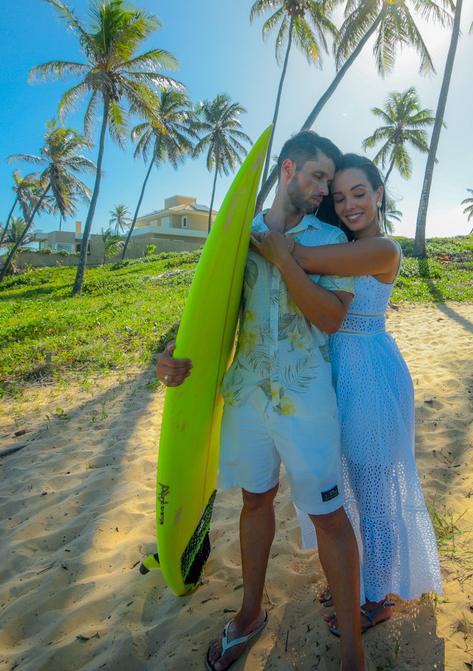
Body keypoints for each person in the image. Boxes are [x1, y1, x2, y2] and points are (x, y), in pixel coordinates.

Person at [156, 131, 367, 671]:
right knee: (254, 500)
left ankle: (352, 652)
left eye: (331, 179)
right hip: (246, 394)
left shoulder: (330, 239)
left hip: (306, 397)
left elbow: (331, 316)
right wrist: (172, 354)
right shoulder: (236, 238)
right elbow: (209, 313)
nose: (326, 188)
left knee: (328, 517)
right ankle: (250, 613)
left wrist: (284, 258)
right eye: (319, 176)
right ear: (288, 169)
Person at [250, 152, 443, 636]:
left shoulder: (384, 249)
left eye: (360, 193)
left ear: (379, 194)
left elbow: (305, 259)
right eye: (339, 197)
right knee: (343, 485)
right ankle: (355, 582)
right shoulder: (336, 237)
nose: (350, 204)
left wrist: (264, 238)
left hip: (369, 370)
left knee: (374, 485)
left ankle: (378, 595)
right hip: (332, 367)